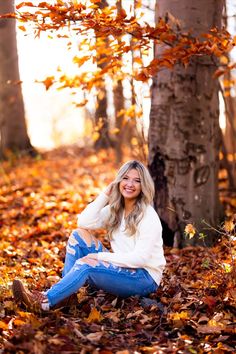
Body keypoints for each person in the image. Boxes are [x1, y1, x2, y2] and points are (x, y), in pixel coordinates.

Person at [12, 160, 166, 312]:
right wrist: (105, 194)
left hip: (144, 278)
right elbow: (83, 222)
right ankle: (65, 296)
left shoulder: (147, 216)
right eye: (125, 178)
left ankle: (46, 301)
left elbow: (140, 259)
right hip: (124, 267)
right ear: (118, 181)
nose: (130, 184)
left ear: (143, 186)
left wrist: (99, 257)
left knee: (86, 265)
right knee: (78, 235)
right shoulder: (116, 210)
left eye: (137, 181)